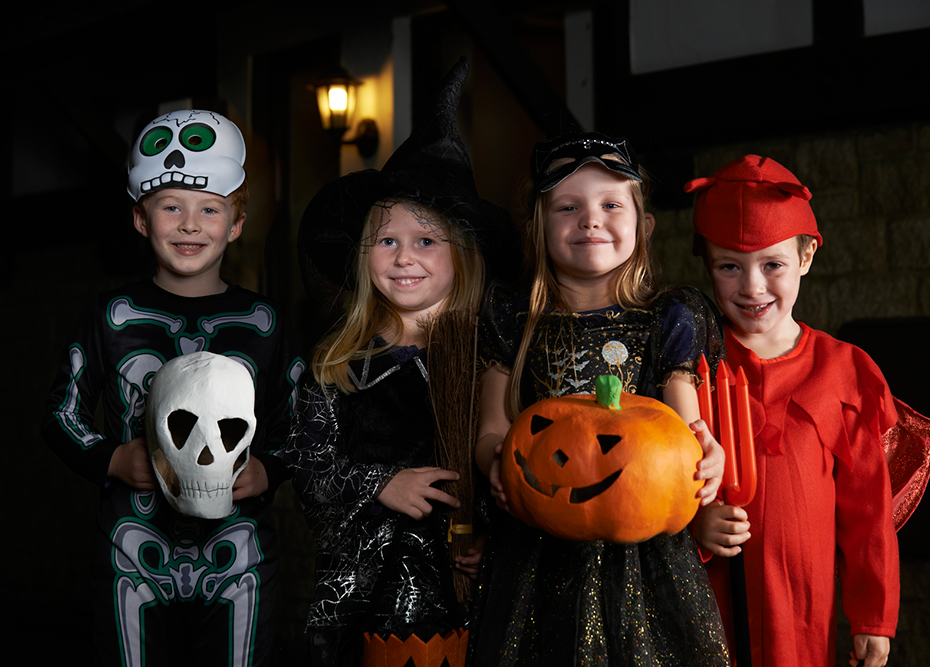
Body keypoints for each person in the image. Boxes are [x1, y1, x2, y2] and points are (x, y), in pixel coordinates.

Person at [41, 109, 303, 667]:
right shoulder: (111, 315)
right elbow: (59, 413)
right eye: (171, 207)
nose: (190, 224)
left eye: (210, 209)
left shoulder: (266, 322)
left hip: (240, 558)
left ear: (236, 223)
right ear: (141, 219)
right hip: (131, 554)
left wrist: (269, 469)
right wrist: (111, 459)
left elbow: (301, 421)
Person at [469, 132, 731, 666]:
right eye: (568, 207)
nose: (590, 220)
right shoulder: (514, 318)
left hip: (648, 557)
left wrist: (708, 451)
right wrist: (495, 462)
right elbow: (492, 427)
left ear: (644, 223)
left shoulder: (668, 317)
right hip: (538, 553)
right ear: (539, 227)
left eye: (611, 204)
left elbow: (687, 432)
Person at [287, 58, 517, 666]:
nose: (403, 257)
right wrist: (382, 483)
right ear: (364, 255)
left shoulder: (488, 360)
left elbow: (522, 460)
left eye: (425, 241)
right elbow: (310, 477)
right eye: (386, 240)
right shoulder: (337, 366)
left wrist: (490, 530)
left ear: (461, 255)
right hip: (365, 595)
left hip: (466, 590)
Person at [687, 154, 930, 667]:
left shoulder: (843, 370)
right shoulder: (690, 370)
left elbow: (869, 512)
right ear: (708, 265)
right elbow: (652, 477)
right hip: (707, 600)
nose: (752, 287)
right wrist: (695, 523)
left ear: (805, 257)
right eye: (729, 266)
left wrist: (873, 617)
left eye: (772, 264)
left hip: (802, 602)